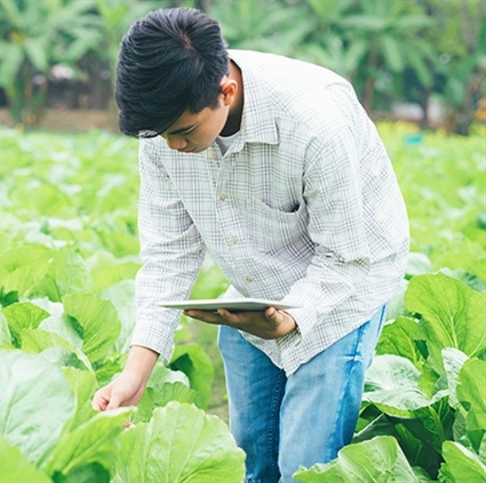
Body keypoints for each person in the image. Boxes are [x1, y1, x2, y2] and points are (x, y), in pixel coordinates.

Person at [91, 7, 409, 483]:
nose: (173, 147)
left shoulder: (314, 121)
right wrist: (133, 376)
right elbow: (168, 255)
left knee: (305, 467)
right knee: (250, 462)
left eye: (183, 132)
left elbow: (346, 258)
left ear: (226, 92)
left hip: (344, 289)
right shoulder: (164, 123)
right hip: (254, 291)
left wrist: (290, 319)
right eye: (162, 135)